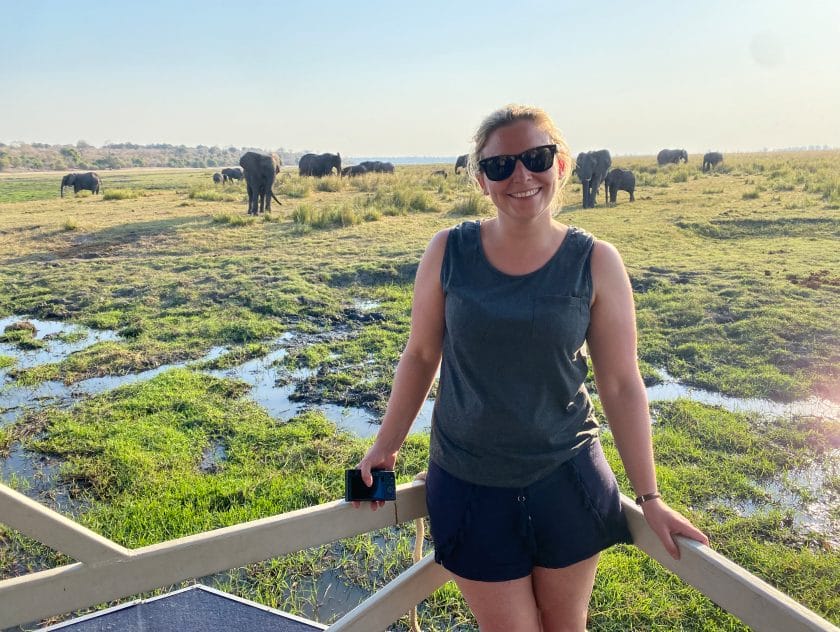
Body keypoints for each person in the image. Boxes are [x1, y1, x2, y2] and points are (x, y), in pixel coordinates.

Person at [355, 104, 709, 631]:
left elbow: (620, 383)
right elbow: (421, 355)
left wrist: (650, 497)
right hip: (467, 481)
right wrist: (386, 446)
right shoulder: (448, 251)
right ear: (482, 180)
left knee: (566, 624)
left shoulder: (596, 261)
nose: (520, 176)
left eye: (536, 158)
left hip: (566, 480)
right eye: (500, 166)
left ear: (562, 165)